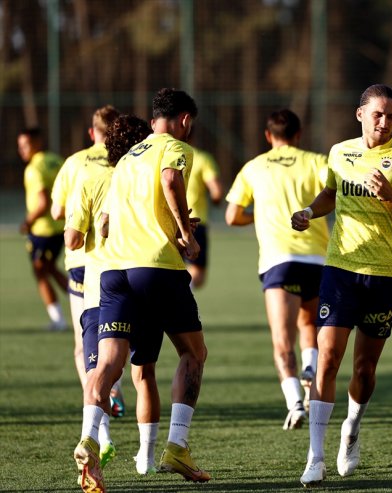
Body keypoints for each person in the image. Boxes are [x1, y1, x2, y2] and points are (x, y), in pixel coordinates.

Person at [291, 84, 392, 487]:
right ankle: (315, 456)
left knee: (364, 369)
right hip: (340, 271)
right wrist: (307, 211)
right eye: (377, 114)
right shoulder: (340, 152)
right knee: (327, 359)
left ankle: (351, 427)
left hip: (386, 275)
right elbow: (330, 194)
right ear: (360, 115)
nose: (385, 121)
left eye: (391, 115)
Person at [72, 88, 210, 493]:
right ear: (184, 120)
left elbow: (106, 224)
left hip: (112, 271)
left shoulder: (125, 159)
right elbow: (170, 180)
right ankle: (177, 446)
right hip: (156, 267)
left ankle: (89, 439)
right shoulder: (175, 147)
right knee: (193, 352)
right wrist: (186, 234)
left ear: (153, 120)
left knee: (109, 363)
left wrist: (168, 223)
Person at [225, 109, 328, 430]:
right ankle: (311, 370)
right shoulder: (316, 161)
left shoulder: (254, 166)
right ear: (298, 135)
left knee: (282, 341)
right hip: (317, 259)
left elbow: (231, 216)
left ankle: (295, 404)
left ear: (268, 136)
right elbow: (334, 194)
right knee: (309, 321)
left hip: (277, 262)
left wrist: (262, 216)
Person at [64, 114, 155, 475]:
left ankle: (96, 438)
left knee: (96, 366)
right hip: (144, 276)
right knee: (143, 368)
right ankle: (147, 456)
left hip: (99, 278)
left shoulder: (86, 175)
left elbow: (75, 236)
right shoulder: (147, 173)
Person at [51, 105, 127, 417]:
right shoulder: (125, 162)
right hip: (118, 258)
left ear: (91, 132)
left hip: (80, 260)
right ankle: (114, 390)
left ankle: (96, 406)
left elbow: (57, 213)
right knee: (122, 334)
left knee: (84, 341)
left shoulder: (73, 163)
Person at [17, 127, 68, 331]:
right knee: (48, 268)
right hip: (62, 226)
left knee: (40, 272)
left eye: (25, 145)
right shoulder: (56, 160)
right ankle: (77, 304)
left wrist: (27, 222)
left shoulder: (34, 168)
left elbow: (41, 202)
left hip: (44, 229)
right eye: (20, 146)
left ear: (37, 142)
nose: (22, 150)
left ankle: (59, 319)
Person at [185, 129, 223, 289]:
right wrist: (215, 200)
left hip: (166, 220)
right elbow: (217, 192)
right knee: (197, 276)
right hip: (195, 221)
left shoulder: (163, 155)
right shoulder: (201, 159)